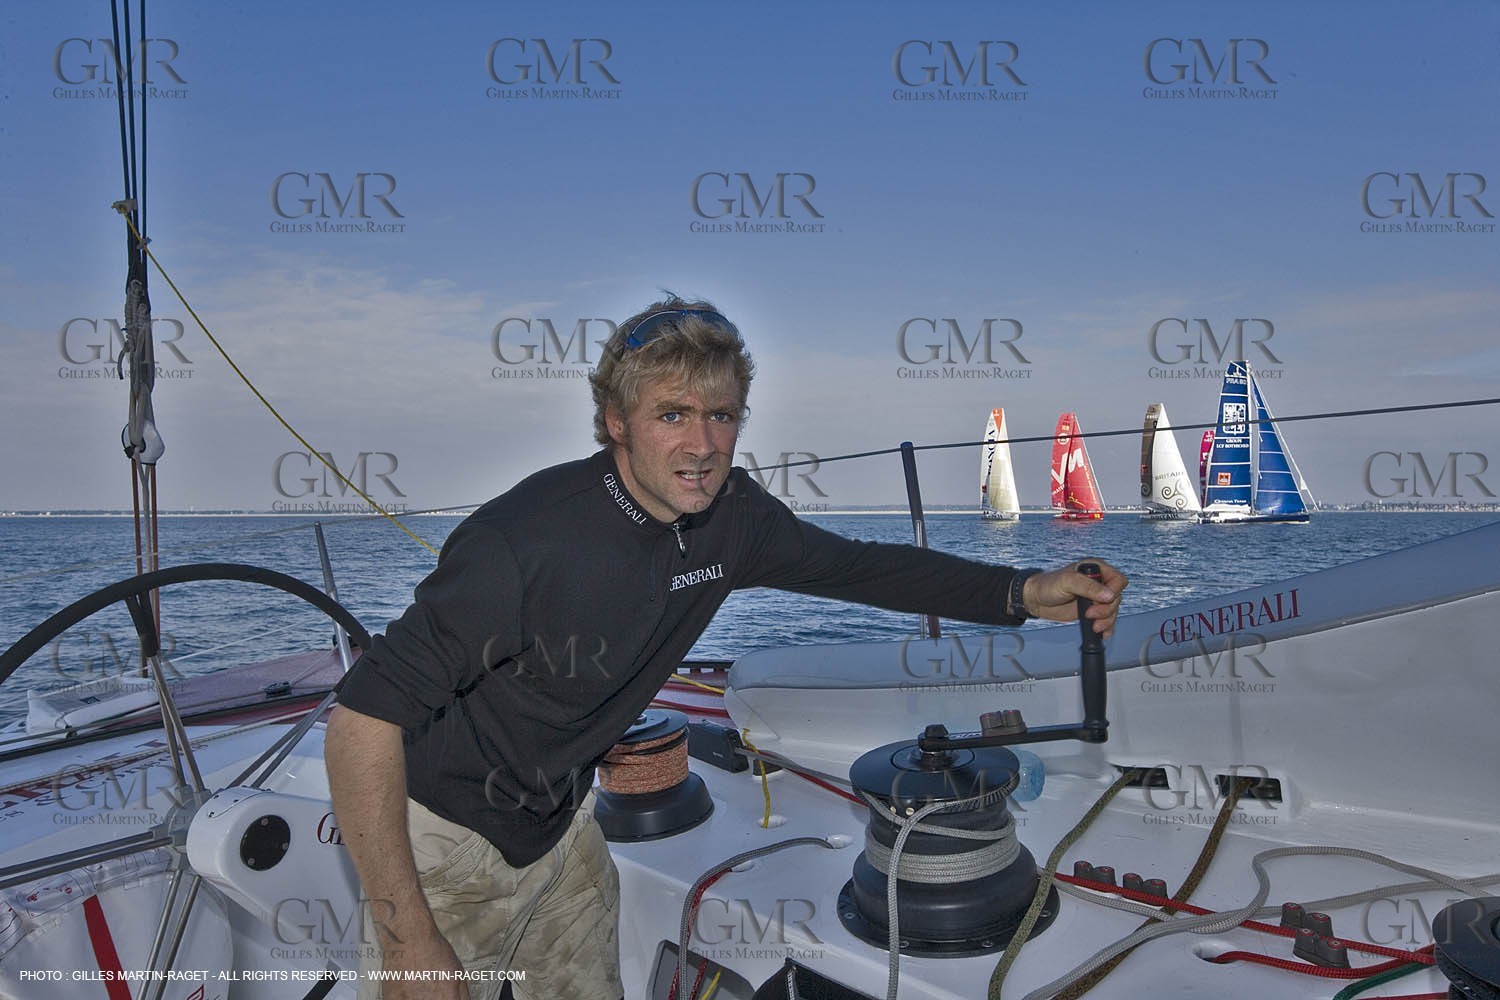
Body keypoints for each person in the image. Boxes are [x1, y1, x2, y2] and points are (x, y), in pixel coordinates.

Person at [325, 296, 1127, 1000]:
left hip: (562, 832)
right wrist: (407, 940)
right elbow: (361, 719)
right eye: (672, 414)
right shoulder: (522, 542)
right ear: (616, 422)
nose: (703, 443)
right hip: (442, 845)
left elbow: (859, 566)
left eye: (723, 415)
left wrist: (1023, 591)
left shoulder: (732, 517)